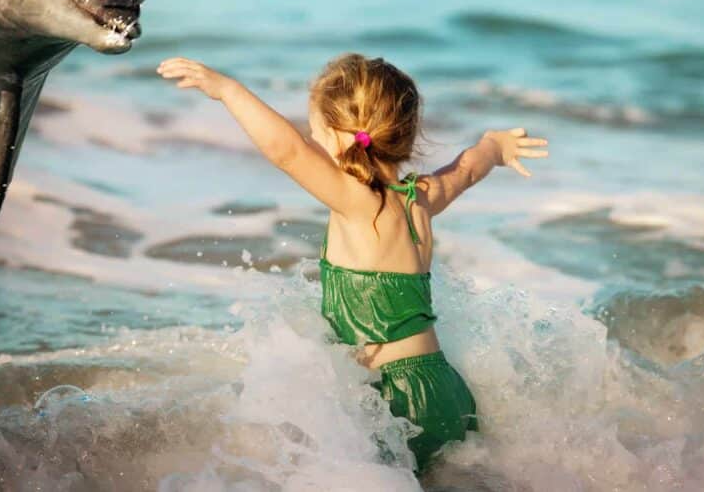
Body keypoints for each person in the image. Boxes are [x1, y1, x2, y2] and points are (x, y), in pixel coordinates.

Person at [157, 53, 548, 471]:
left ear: (343, 135)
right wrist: (495, 145)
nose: (310, 137)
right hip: (444, 390)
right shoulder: (420, 197)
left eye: (316, 130)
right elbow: (467, 169)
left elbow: (285, 150)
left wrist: (227, 90)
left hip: (398, 401)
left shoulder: (359, 201)